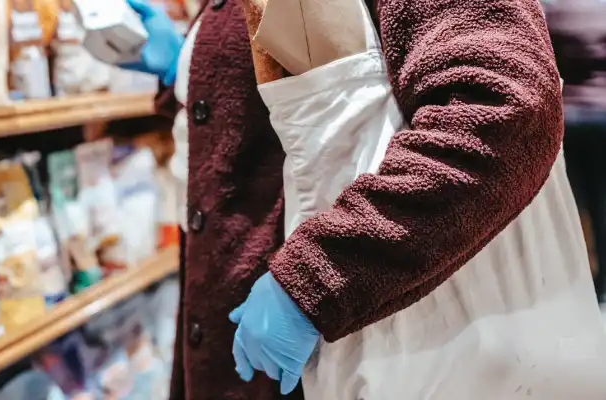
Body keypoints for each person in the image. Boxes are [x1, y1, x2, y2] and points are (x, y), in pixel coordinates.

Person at [121, 0, 606, 399]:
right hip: (263, 350)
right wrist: (177, 71)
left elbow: (502, 107)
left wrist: (315, 279)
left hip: (355, 344)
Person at [545, 0, 606, 306]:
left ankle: (581, 277)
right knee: (602, 202)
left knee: (574, 203)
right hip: (603, 118)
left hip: (569, 119)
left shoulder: (555, 12)